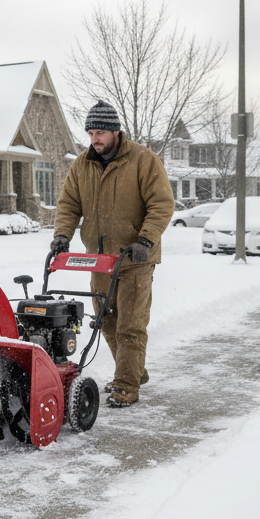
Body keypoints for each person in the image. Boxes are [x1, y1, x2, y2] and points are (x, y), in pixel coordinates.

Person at [51, 100, 174, 407]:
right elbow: (68, 205)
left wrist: (145, 241)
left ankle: (126, 386)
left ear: (116, 132)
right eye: (91, 132)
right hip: (100, 259)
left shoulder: (144, 160)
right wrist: (61, 237)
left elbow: (161, 204)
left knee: (131, 325)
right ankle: (133, 371)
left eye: (101, 132)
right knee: (105, 320)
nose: (95, 139)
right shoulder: (82, 164)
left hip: (135, 258)